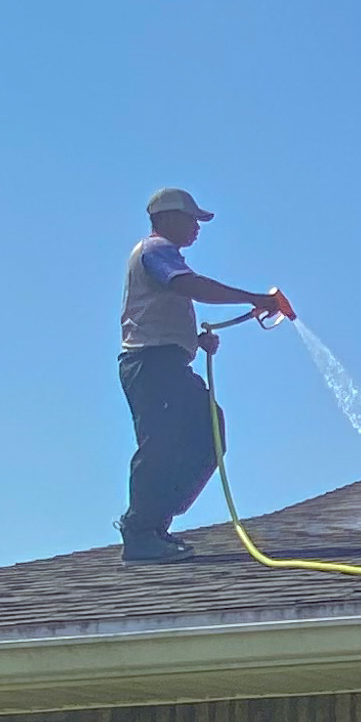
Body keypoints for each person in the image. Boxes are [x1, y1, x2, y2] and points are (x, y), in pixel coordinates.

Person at [118, 187, 290, 563]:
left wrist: (193, 341)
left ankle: (154, 526)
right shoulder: (155, 250)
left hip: (166, 362)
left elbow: (161, 311)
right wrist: (254, 298)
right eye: (192, 219)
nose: (197, 227)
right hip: (151, 366)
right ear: (166, 218)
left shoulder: (163, 254)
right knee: (161, 445)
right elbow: (188, 286)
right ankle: (140, 532)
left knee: (208, 436)